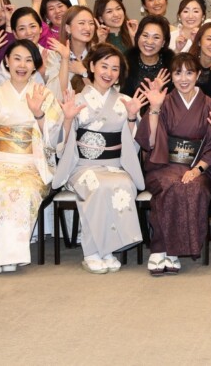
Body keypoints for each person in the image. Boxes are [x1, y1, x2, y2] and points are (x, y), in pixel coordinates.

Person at [0, 40, 62, 274]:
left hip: (33, 165)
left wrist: (39, 114)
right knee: (1, 189)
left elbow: (55, 139)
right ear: (7, 62)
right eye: (17, 58)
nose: (22, 65)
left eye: (28, 60)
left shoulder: (44, 94)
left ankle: (8, 254)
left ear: (35, 65)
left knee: (25, 190)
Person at [54, 44, 146, 274]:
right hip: (82, 166)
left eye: (115, 68)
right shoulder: (76, 100)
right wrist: (67, 119)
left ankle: (107, 250)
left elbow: (134, 144)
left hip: (115, 165)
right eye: (104, 66)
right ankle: (92, 252)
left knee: (123, 183)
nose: (109, 73)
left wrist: (132, 117)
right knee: (98, 184)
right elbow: (59, 143)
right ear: (92, 66)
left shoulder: (125, 101)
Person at [135, 53, 211, 276]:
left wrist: (197, 170)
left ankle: (172, 251)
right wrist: (154, 108)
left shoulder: (209, 105)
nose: (183, 78)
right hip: (163, 165)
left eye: (189, 72)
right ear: (171, 77)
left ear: (198, 75)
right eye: (178, 73)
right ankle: (161, 249)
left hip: (197, 166)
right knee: (171, 185)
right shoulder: (163, 102)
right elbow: (149, 142)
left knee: (193, 187)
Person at [45, 5, 99, 101]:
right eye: (81, 23)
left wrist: (83, 72)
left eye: (91, 23)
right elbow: (57, 96)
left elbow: (102, 94)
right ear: (68, 28)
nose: (88, 28)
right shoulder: (55, 56)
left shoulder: (100, 54)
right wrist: (65, 59)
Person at [122, 15, 174, 99]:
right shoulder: (125, 62)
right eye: (145, 35)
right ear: (138, 37)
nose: (149, 42)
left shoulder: (172, 65)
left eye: (156, 37)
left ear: (163, 42)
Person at [0, 7, 47, 87]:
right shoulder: (10, 59)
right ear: (15, 34)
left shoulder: (51, 56)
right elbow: (0, 89)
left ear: (40, 29)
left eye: (32, 26)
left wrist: (42, 74)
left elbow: (58, 90)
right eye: (22, 28)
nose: (28, 32)